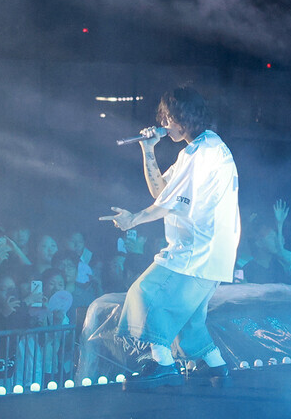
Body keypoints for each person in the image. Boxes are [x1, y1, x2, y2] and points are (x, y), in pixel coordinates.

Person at [100, 87, 240, 390]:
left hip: (197, 251)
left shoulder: (204, 153)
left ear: (181, 117)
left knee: (144, 292)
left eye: (165, 116)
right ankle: (215, 366)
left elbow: (172, 203)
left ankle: (163, 364)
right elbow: (161, 191)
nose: (161, 121)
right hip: (209, 253)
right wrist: (148, 149)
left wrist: (134, 219)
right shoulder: (198, 149)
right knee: (190, 321)